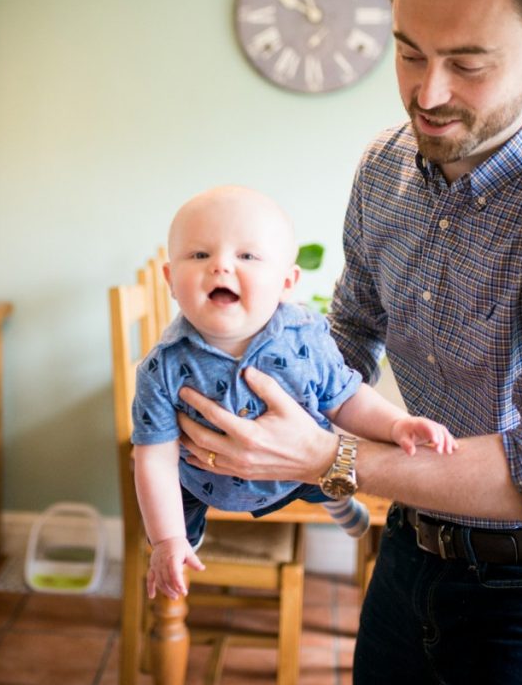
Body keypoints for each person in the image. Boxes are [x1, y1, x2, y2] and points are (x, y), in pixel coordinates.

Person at [173, 0, 522, 685]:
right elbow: (350, 331)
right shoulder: (381, 168)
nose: (428, 92)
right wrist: (250, 375)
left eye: (468, 64)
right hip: (413, 543)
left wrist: (329, 459)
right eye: (407, 52)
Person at [131, 184, 456, 601]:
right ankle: (184, 545)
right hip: (201, 480)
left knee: (332, 468)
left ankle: (336, 503)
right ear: (171, 280)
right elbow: (153, 459)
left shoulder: (305, 338)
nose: (220, 267)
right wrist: (167, 541)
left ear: (287, 282)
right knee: (173, 511)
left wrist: (396, 423)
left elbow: (345, 397)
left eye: (246, 256)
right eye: (199, 255)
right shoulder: (163, 366)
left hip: (296, 472)